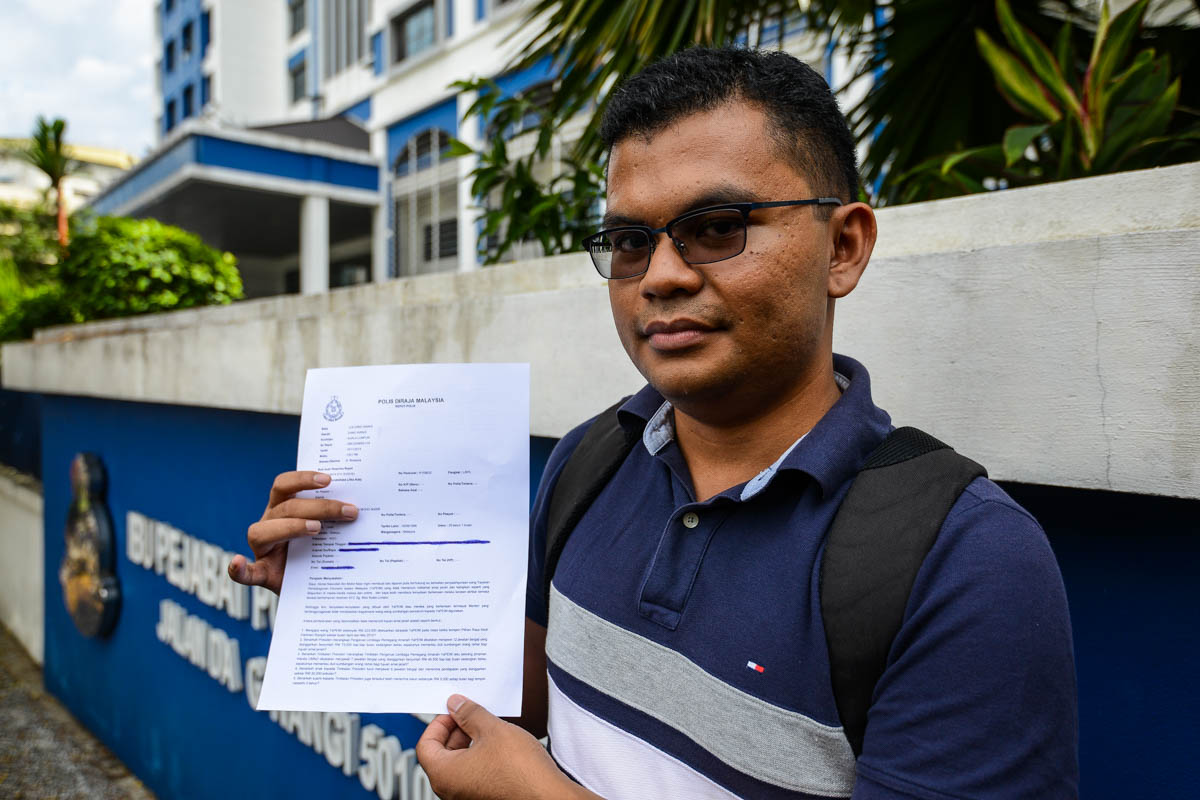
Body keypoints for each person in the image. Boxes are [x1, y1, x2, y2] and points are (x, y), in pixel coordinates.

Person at [229, 47, 1078, 799]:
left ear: (844, 247)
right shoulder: (589, 463)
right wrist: (343, 596)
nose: (660, 276)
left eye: (715, 229)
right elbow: (522, 700)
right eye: (630, 241)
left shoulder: (967, 563)